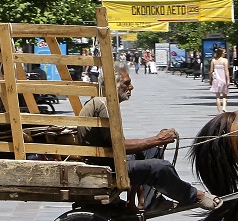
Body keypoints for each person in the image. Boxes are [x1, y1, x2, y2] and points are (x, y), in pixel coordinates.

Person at [79, 61, 221, 211]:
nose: (131, 87)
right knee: (161, 167)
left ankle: (146, 201)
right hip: (106, 166)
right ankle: (194, 196)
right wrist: (157, 139)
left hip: (110, 159)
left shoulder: (105, 104)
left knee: (152, 151)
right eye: (127, 83)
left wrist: (155, 142)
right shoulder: (103, 105)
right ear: (113, 85)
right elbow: (119, 146)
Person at [208, 47, 230, 113]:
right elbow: (226, 70)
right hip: (223, 79)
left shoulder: (213, 60)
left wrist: (210, 79)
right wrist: (228, 80)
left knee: (217, 97)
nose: (225, 53)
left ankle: (219, 111)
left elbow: (211, 71)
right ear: (221, 53)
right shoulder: (225, 60)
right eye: (224, 52)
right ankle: (224, 107)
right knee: (225, 95)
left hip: (216, 79)